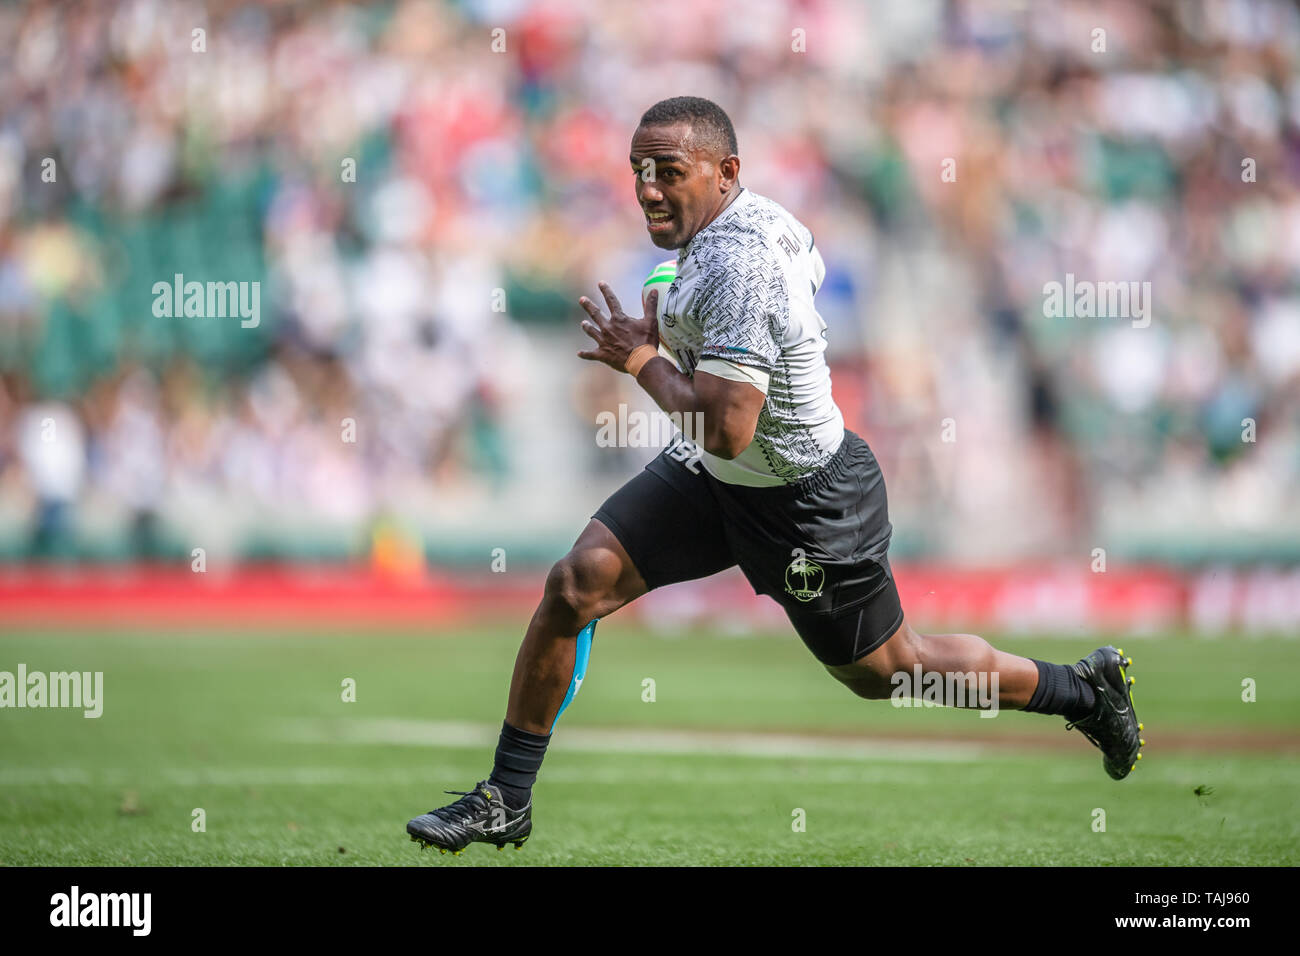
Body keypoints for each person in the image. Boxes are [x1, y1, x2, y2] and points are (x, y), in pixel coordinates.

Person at [407, 96, 1142, 855]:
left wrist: (640, 359)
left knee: (890, 672)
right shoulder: (733, 225)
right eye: (638, 171)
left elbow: (726, 427)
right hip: (715, 476)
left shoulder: (743, 260)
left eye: (668, 171)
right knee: (577, 583)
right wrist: (671, 315)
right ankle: (506, 798)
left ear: (726, 172)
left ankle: (1080, 691)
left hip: (803, 494)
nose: (648, 187)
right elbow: (783, 273)